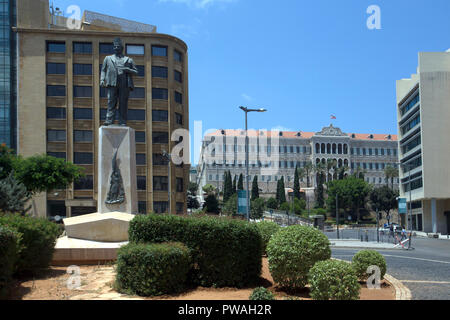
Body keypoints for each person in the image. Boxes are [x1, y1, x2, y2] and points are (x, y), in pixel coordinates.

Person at [100, 38, 138, 126]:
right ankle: (109, 120)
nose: (116, 48)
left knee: (123, 103)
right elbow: (103, 70)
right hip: (112, 82)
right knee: (111, 101)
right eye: (115, 46)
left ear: (122, 48)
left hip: (124, 84)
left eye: (118, 46)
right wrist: (102, 79)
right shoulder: (108, 58)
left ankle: (122, 121)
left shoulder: (128, 60)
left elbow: (136, 72)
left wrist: (128, 69)